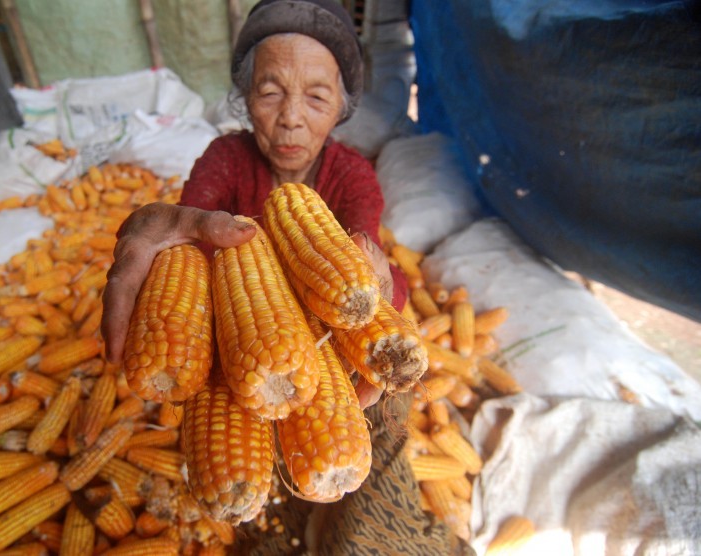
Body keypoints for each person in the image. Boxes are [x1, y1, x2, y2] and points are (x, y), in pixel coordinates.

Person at [102, 1, 474, 554]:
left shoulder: (351, 174)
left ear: (342, 109)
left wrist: (373, 285)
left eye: (317, 96)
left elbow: (364, 271)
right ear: (245, 98)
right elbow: (185, 243)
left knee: (366, 476)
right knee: (252, 504)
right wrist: (167, 242)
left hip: (331, 361)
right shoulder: (226, 159)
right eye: (271, 91)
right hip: (242, 359)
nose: (292, 116)